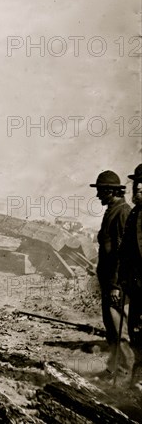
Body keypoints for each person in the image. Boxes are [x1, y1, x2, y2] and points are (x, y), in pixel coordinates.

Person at [89, 170, 133, 384]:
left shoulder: (123, 212)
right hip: (108, 282)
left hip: (117, 283)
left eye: (100, 191)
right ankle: (113, 369)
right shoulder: (111, 210)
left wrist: (116, 285)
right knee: (111, 328)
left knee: (119, 330)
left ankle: (124, 374)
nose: (97, 196)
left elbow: (123, 253)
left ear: (109, 190)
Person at [119, 164, 142, 393]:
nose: (140, 187)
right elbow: (125, 251)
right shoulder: (134, 214)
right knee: (136, 331)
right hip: (138, 287)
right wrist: (124, 279)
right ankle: (138, 380)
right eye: (137, 184)